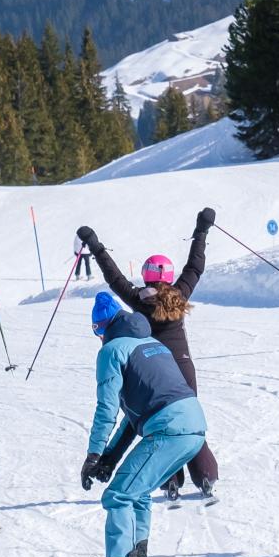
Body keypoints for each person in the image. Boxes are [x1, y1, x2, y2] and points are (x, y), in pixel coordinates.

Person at [76, 208, 219, 500]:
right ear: (167, 276)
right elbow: (195, 267)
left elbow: (112, 276)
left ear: (146, 275)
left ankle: (171, 483)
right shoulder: (179, 295)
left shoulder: (137, 299)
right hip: (184, 368)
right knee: (184, 418)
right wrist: (201, 231)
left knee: (161, 425)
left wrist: (94, 244)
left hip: (154, 368)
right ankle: (206, 477)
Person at [75, 291, 208, 557]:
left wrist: (93, 453)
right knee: (138, 491)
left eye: (98, 331)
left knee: (119, 494)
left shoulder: (112, 350)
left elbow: (107, 407)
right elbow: (133, 418)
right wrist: (109, 457)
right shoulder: (153, 344)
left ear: (102, 327)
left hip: (168, 429)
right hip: (194, 426)